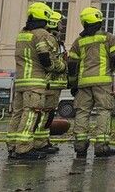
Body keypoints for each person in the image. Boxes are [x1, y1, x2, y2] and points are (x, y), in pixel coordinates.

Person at [6, 2, 66, 160]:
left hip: (20, 81)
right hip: (35, 82)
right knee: (32, 113)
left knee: (17, 114)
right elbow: (46, 58)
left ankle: (12, 145)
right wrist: (60, 66)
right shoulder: (42, 34)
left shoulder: (22, 34)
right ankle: (24, 148)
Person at [68, 7, 115, 158]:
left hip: (83, 83)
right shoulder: (108, 38)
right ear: (100, 20)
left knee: (82, 112)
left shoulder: (78, 42)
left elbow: (72, 64)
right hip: (103, 82)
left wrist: (73, 84)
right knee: (104, 111)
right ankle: (101, 146)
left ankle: (80, 147)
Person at [38, 10, 67, 153]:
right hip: (49, 83)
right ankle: (39, 142)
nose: (62, 25)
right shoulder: (50, 39)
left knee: (48, 114)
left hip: (53, 85)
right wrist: (63, 67)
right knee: (45, 114)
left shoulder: (55, 39)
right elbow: (53, 61)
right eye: (60, 22)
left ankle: (43, 141)